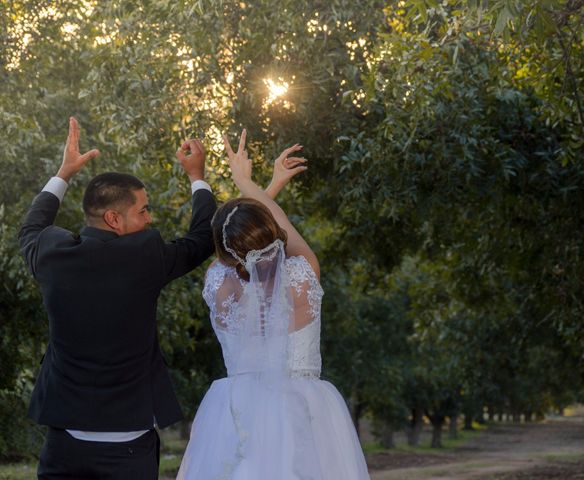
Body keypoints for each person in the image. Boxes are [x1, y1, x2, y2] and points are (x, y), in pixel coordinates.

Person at [18, 117, 217, 479]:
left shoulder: (51, 256)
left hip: (64, 444)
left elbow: (31, 227)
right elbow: (203, 237)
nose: (149, 218)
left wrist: (63, 173)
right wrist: (196, 176)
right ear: (114, 218)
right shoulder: (146, 257)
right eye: (142, 210)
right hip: (129, 448)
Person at [177, 130, 370, 479]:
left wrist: (259, 188)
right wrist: (247, 182)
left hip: (237, 413)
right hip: (303, 410)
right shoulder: (303, 273)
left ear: (224, 252)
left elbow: (238, 237)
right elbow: (267, 229)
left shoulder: (217, 281)